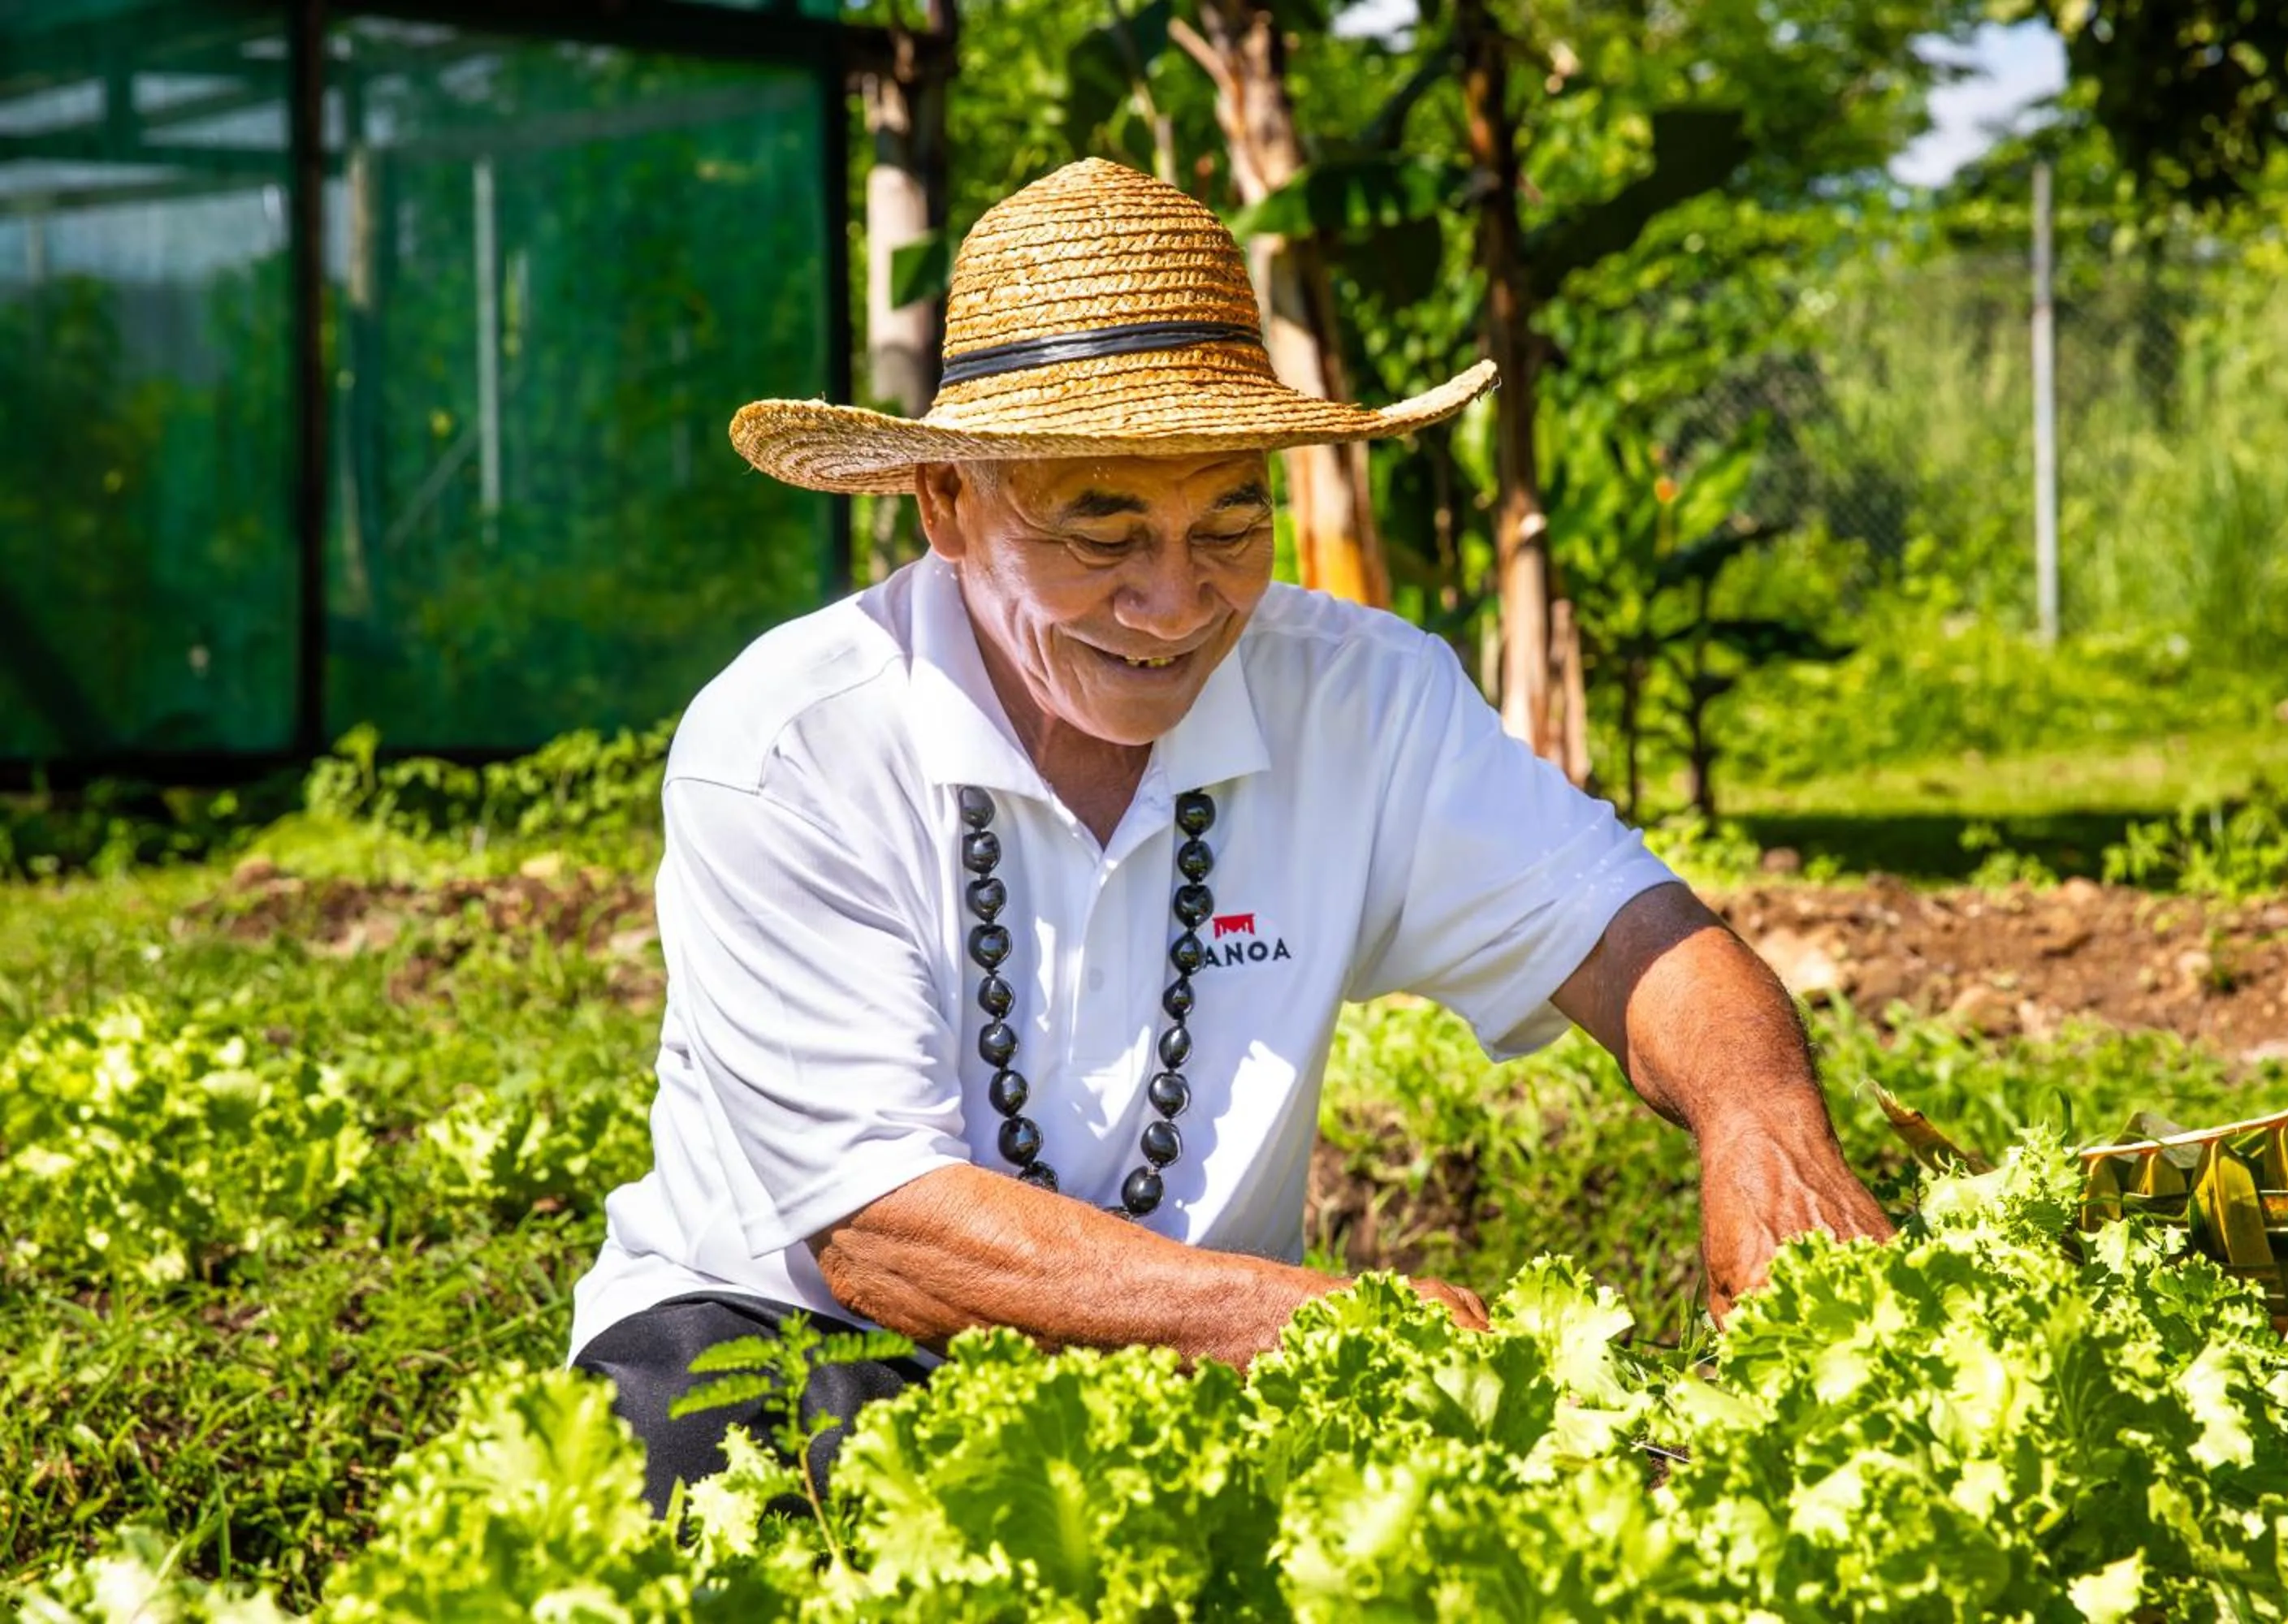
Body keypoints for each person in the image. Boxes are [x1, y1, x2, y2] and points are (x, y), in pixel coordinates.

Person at [569, 158, 1892, 1512]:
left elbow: (1634, 933)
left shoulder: (1363, 696)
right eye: (1105, 532)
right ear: (948, 506)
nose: (1175, 600)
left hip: (1209, 1358)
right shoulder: (793, 744)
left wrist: (1761, 1123)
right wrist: (1332, 1329)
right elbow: (884, 1239)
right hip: (786, 1346)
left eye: (1231, 521)